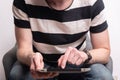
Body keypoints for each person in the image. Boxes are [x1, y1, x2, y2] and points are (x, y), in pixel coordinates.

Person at [9, 0, 113, 80]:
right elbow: (23, 49)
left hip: (77, 65)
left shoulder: (93, 2)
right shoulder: (23, 2)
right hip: (41, 64)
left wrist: (85, 55)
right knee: (16, 75)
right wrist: (31, 57)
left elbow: (104, 51)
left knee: (103, 76)